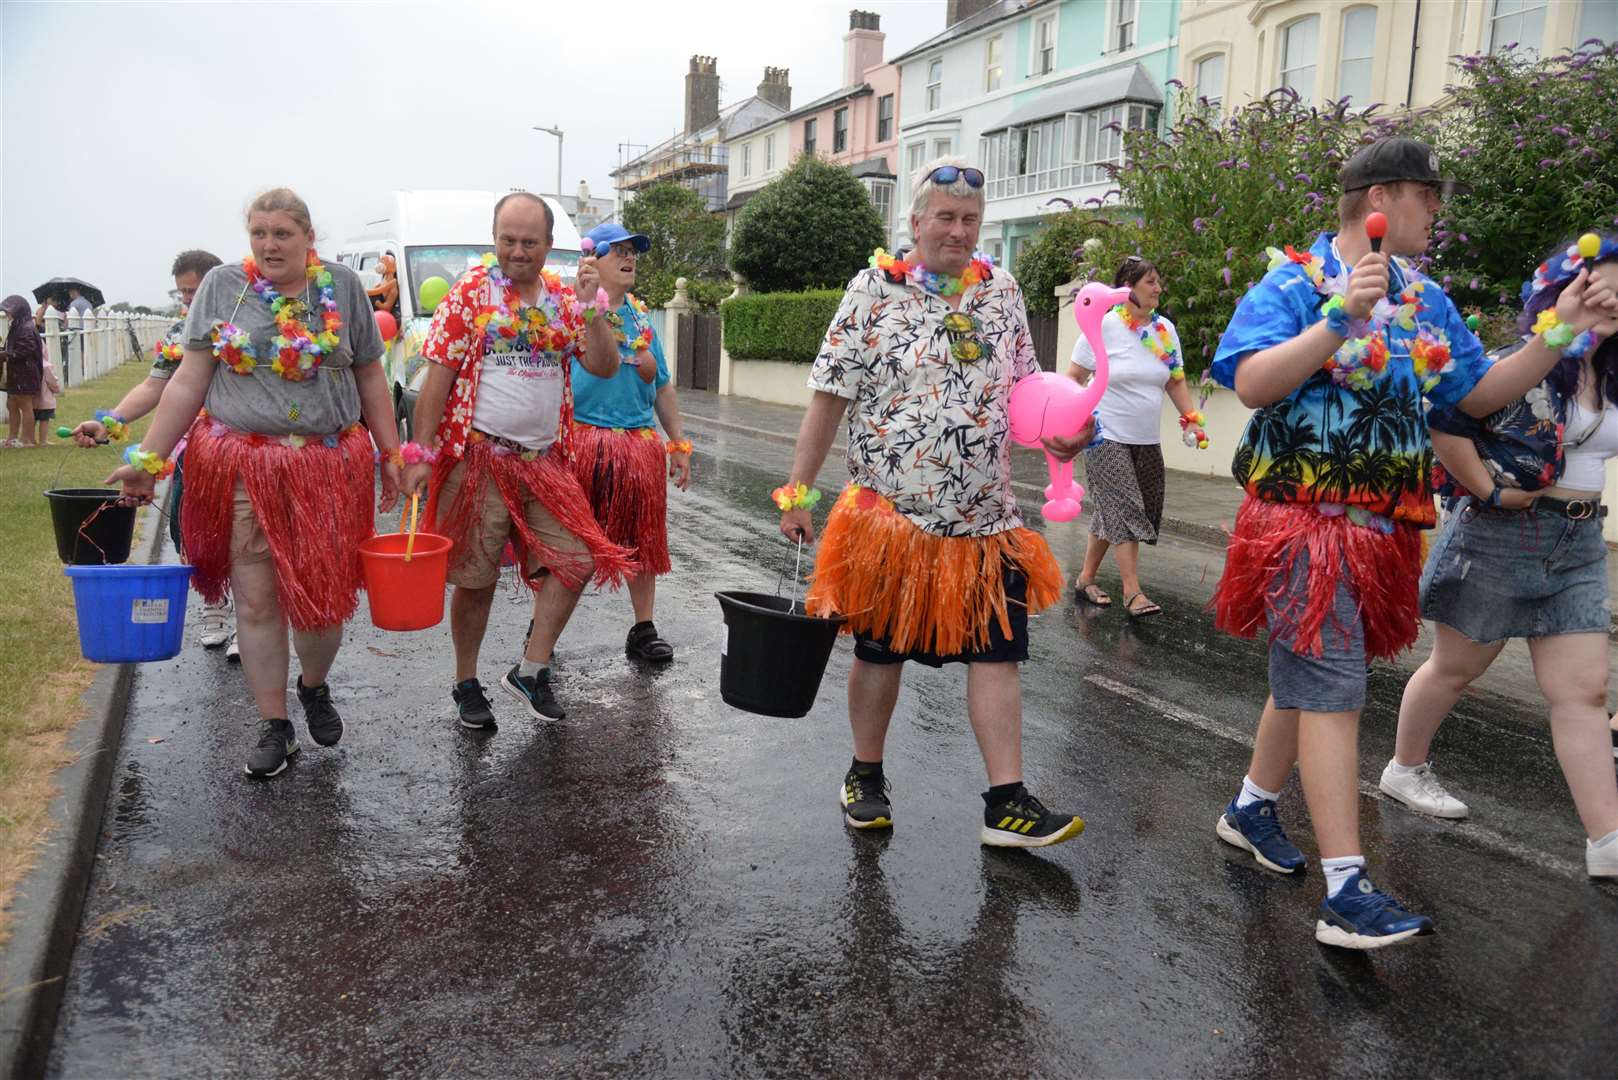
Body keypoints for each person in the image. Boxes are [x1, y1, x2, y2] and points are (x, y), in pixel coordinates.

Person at [1207, 138, 1618, 948]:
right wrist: (1337, 321)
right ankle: (1346, 891)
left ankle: (1252, 807)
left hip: (1385, 533)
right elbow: (1249, 383)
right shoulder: (1294, 282)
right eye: (1430, 196)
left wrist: (1560, 332)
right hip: (1302, 527)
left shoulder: (1427, 298)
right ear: (1384, 197)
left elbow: (1475, 394)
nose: (1437, 211)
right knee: (1331, 690)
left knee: (1314, 676)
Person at [778, 157, 1087, 848]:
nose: (958, 230)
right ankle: (865, 775)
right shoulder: (871, 291)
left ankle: (1006, 803)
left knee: (998, 655)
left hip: (986, 520)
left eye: (970, 220)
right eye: (945, 218)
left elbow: (1026, 395)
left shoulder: (1001, 292)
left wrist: (1061, 438)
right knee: (879, 654)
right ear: (915, 223)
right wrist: (797, 494)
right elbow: (828, 399)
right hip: (893, 520)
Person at [107, 188, 399, 779]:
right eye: (259, 234)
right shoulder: (221, 287)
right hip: (243, 466)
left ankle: (313, 685)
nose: (269, 244)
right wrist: (150, 458)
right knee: (258, 598)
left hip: (327, 465)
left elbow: (370, 374)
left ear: (308, 238)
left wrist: (392, 452)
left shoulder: (341, 287)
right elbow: (189, 380)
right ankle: (274, 725)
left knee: (320, 605)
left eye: (282, 234)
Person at [1380, 232, 1618, 880]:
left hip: (1578, 541)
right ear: (1564, 289)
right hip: (1500, 532)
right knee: (1455, 668)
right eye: (1605, 281)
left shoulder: (1612, 370)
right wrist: (1487, 489)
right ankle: (1406, 768)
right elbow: (1448, 418)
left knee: (1584, 690)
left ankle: (1607, 841)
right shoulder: (1525, 362)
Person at [403, 192, 636, 731]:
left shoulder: (565, 297)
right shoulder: (470, 293)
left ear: (548, 245)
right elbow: (438, 376)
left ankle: (531, 669)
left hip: (544, 462)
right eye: (508, 240)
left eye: (529, 242)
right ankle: (466, 681)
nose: (517, 251)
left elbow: (603, 366)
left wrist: (591, 308)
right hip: (479, 457)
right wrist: (421, 454)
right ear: (495, 239)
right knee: (476, 579)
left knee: (577, 560)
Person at [73, 251, 236, 652]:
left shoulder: (246, 328)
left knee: (245, 532)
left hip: (247, 451)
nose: (188, 302)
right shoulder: (182, 332)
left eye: (195, 292)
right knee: (187, 529)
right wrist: (108, 423)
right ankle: (215, 601)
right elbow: (153, 387)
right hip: (191, 453)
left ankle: (249, 618)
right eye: (182, 293)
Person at [553, 221, 692, 663]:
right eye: (619, 250)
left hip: (637, 444)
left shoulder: (642, 318)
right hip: (582, 441)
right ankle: (543, 633)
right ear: (592, 259)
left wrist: (679, 444)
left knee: (642, 540)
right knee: (566, 543)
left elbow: (664, 388)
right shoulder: (567, 312)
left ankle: (643, 628)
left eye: (634, 250)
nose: (630, 257)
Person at [1066, 255, 1207, 617]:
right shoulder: (1103, 327)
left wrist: (1190, 418)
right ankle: (1133, 592)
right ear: (1127, 289)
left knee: (1113, 509)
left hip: (1145, 437)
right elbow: (1072, 379)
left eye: (1158, 281)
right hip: (1104, 434)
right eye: (1150, 282)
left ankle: (1084, 580)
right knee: (1125, 505)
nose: (1158, 288)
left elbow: (1175, 379)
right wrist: (1073, 423)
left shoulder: (1165, 331)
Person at [1, 295, 43, 447]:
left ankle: (27, 439)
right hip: (17, 373)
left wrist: (5, 354)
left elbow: (25, 350)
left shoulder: (26, 328)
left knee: (25, 405)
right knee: (11, 404)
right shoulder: (18, 326)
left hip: (25, 373)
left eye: (9, 312)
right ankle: (12, 437)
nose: (7, 315)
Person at [35, 351, 60, 444]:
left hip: (33, 399)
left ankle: (30, 438)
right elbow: (51, 381)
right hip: (46, 400)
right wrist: (57, 389)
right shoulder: (46, 366)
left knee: (33, 419)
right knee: (44, 420)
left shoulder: (31, 364)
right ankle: (43, 440)